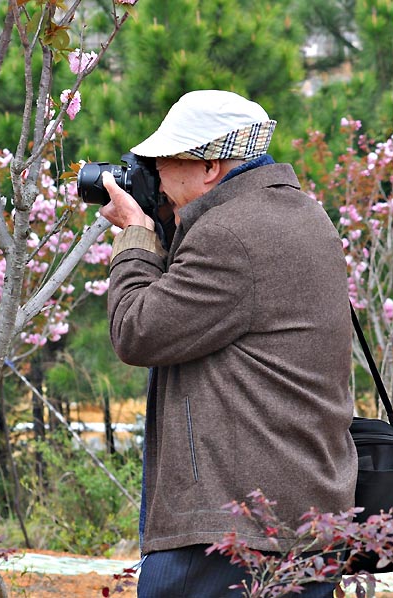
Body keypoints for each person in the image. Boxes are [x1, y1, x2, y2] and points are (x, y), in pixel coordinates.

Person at [98, 90, 356, 597]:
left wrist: (135, 235)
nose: (156, 178)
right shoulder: (305, 214)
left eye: (161, 163)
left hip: (229, 527)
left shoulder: (229, 234)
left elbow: (136, 330)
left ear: (210, 167)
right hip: (303, 513)